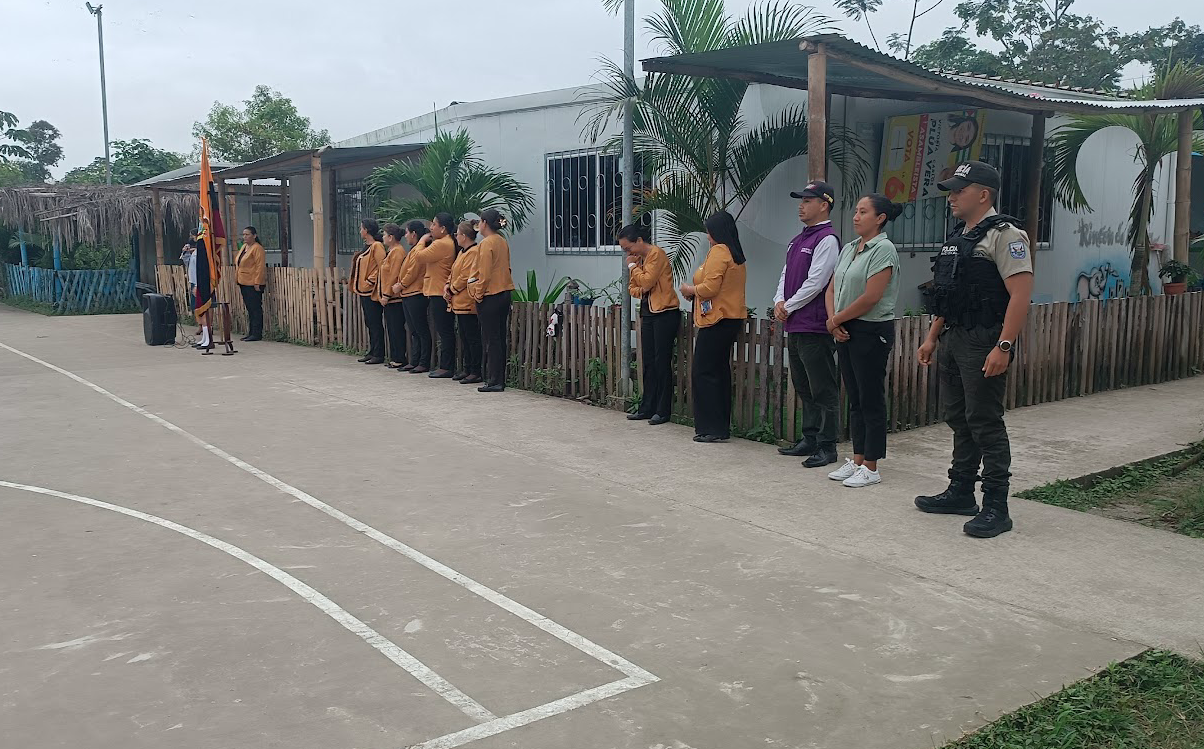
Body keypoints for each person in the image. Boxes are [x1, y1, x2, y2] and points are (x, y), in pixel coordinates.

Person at [915, 161, 1034, 538]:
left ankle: (996, 506)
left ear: (983, 195)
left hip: (985, 339)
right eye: (951, 190)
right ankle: (961, 491)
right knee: (959, 417)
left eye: (959, 190)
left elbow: (1020, 295)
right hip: (953, 336)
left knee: (985, 421)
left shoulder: (1006, 235)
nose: (951, 197)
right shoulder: (958, 236)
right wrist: (932, 336)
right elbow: (949, 294)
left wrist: (1004, 345)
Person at [825, 194, 902, 488]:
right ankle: (858, 459)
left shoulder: (883, 250)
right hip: (844, 326)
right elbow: (831, 289)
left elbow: (872, 297)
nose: (856, 217)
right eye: (856, 211)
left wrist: (836, 320)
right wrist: (834, 321)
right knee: (855, 397)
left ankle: (872, 465)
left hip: (871, 329)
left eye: (863, 212)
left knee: (871, 398)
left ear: (880, 218)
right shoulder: (849, 248)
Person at [773, 181, 842, 467]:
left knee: (823, 387)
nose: (801, 206)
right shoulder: (797, 240)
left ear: (824, 205)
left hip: (814, 325)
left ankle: (827, 445)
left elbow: (817, 282)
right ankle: (810, 438)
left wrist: (788, 306)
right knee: (803, 385)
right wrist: (779, 300)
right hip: (795, 323)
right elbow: (785, 274)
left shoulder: (827, 239)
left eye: (807, 201)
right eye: (801, 201)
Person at [680, 211, 747, 444]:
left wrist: (690, 290)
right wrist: (696, 295)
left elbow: (710, 287)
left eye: (709, 232)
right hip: (730, 317)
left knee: (703, 371)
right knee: (719, 372)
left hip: (717, 319)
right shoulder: (735, 253)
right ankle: (720, 427)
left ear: (717, 232)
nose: (707, 236)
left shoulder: (720, 251)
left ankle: (709, 427)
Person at [620, 223, 678, 425]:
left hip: (665, 312)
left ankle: (662, 410)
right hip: (649, 312)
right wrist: (639, 278)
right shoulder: (641, 260)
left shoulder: (656, 255)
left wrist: (632, 268)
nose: (628, 254)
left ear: (639, 240)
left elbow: (646, 283)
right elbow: (633, 288)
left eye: (628, 248)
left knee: (661, 362)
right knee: (648, 363)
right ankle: (647, 407)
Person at [469, 209, 516, 393]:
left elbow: (485, 273)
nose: (478, 225)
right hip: (504, 292)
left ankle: (494, 380)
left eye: (480, 222)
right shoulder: (501, 241)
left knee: (491, 338)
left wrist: (478, 293)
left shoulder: (486, 243)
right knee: (499, 337)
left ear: (485, 223)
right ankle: (499, 378)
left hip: (490, 294)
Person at [408, 212, 457, 378]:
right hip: (436, 290)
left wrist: (421, 241)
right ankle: (445, 365)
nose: (431, 228)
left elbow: (419, 256)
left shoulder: (442, 243)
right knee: (443, 330)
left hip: (439, 291)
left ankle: (447, 366)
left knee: (445, 330)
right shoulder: (444, 242)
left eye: (434, 224)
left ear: (443, 228)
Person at [447, 220, 483, 384]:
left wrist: (452, 289)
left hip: (467, 301)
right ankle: (467, 368)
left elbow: (465, 276)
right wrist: (447, 285)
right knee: (465, 338)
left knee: (472, 338)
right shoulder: (462, 252)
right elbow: (454, 271)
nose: (456, 237)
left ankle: (475, 371)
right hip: (458, 302)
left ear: (464, 236)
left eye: (457, 234)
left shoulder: (473, 252)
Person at [396, 220, 432, 373]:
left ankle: (424, 362)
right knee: (414, 330)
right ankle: (415, 360)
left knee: (421, 329)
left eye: (407, 232)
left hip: (416, 293)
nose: (405, 236)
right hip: (408, 293)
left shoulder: (419, 249)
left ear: (414, 234)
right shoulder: (413, 249)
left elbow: (413, 271)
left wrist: (401, 284)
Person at [350, 219, 387, 365]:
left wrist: (370, 281)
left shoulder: (377, 246)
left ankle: (379, 353)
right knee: (369, 322)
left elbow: (382, 266)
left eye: (361, 228)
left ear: (367, 230)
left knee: (375, 322)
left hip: (371, 291)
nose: (360, 231)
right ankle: (372, 351)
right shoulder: (367, 246)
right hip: (363, 291)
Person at [378, 222, 409, 368]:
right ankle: (395, 356)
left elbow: (394, 275)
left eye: (384, 235)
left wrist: (387, 294)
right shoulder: (391, 251)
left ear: (391, 237)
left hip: (394, 298)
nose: (383, 237)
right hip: (389, 298)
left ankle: (400, 357)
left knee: (396, 329)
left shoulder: (397, 252)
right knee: (391, 328)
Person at [235, 226, 267, 342]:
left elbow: (260, 266)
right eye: (243, 234)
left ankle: (257, 333)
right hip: (243, 281)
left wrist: (258, 282)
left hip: (253, 282)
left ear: (254, 236)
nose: (245, 237)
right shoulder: (244, 247)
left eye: (247, 234)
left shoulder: (257, 248)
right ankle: (251, 332)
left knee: (255, 308)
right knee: (249, 308)